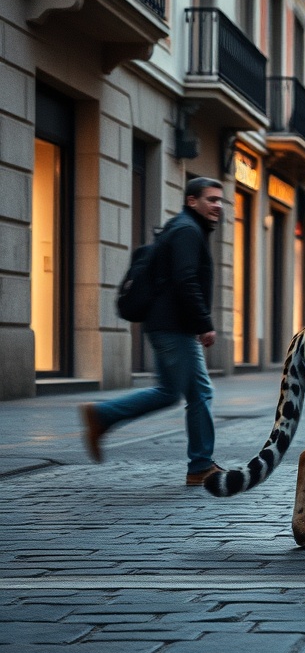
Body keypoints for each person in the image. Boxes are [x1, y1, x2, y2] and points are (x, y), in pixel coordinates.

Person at [80, 177, 224, 485]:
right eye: (211, 199)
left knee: (176, 392)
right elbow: (185, 280)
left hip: (166, 325)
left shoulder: (183, 227)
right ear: (191, 201)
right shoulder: (187, 230)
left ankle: (103, 416)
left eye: (220, 200)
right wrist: (203, 323)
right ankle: (199, 464)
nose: (217, 206)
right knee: (194, 393)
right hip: (174, 326)